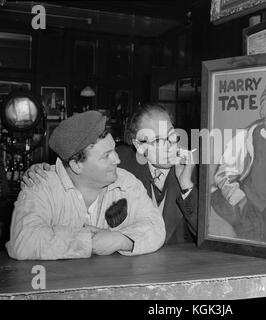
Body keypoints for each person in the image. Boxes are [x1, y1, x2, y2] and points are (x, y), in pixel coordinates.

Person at [22, 104, 197, 244]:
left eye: (172, 136)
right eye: (158, 140)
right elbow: (77, 166)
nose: (170, 146)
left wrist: (187, 187)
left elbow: (207, 237)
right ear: (139, 145)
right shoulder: (118, 161)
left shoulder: (195, 170)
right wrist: (43, 172)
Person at [6, 111, 165, 260]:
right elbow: (23, 240)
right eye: (106, 156)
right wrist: (88, 242)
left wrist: (123, 240)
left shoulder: (126, 182)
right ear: (76, 165)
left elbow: (155, 226)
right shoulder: (40, 185)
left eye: (114, 151)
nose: (117, 160)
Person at [210, 73, 266, 242]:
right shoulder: (246, 137)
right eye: (263, 105)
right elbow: (221, 174)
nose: (264, 112)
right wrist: (239, 200)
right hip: (245, 210)